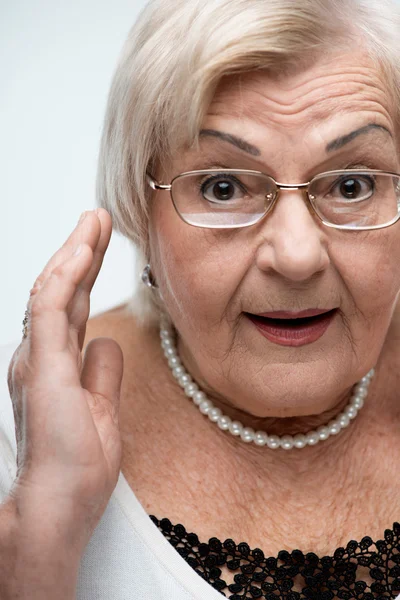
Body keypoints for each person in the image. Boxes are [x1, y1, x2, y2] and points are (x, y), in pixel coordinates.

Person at [1, 0, 400, 597]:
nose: (296, 257)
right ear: (140, 211)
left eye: (352, 185)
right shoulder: (25, 433)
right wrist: (43, 538)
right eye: (223, 187)